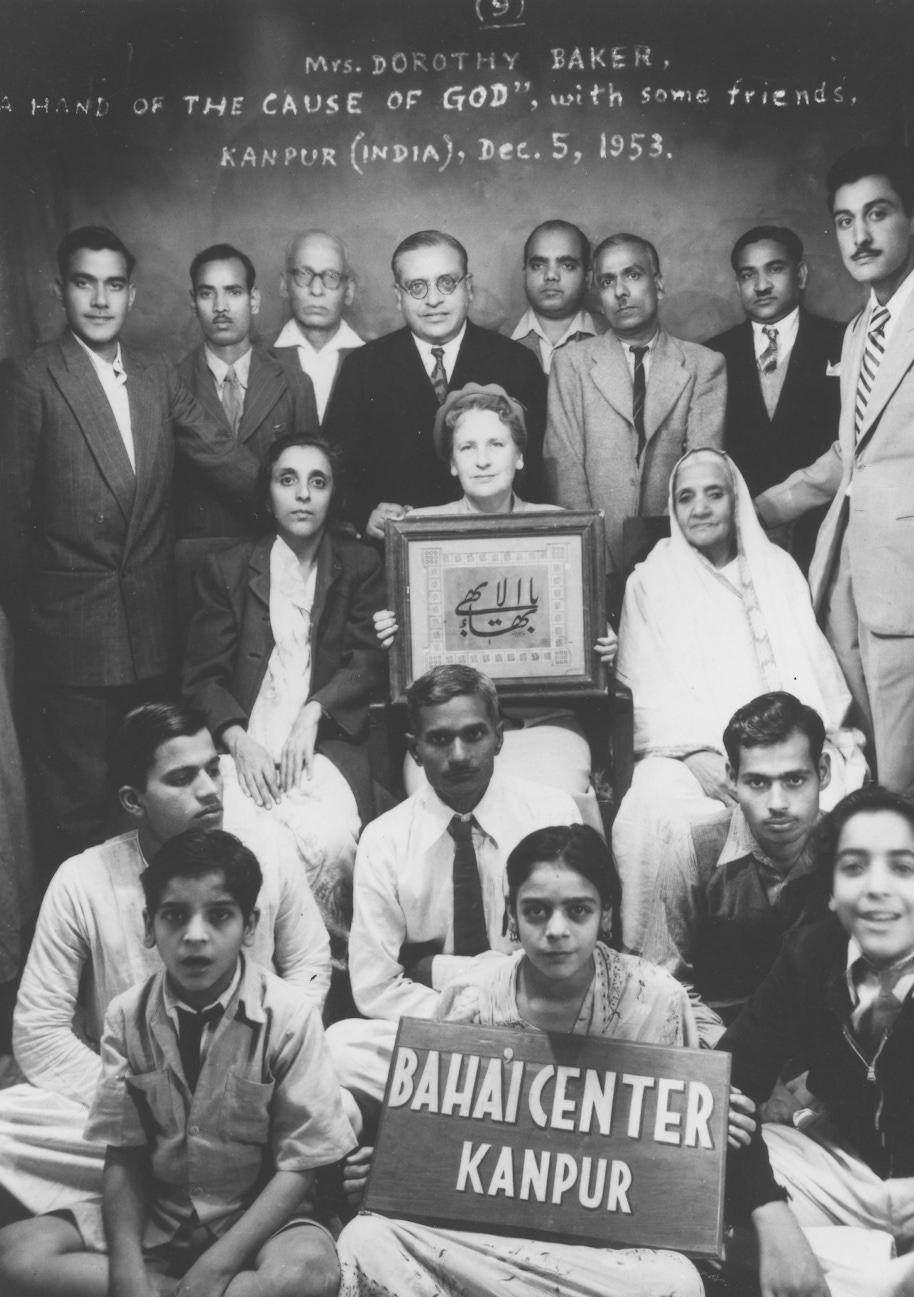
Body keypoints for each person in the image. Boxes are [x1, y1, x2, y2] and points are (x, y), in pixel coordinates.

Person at [329, 825, 756, 1297]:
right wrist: (383, 1166)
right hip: (488, 1242)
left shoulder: (655, 1000)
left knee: (675, 1296)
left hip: (597, 1256)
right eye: (536, 912)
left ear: (606, 915)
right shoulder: (471, 997)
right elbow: (433, 1147)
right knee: (365, 1241)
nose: (556, 931)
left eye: (578, 911)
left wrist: (707, 1137)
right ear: (511, 917)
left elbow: (670, 1181)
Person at [0, 830, 355, 1297]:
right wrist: (127, 1280)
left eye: (219, 916)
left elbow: (301, 1167)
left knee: (310, 1274)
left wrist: (214, 1271)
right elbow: (124, 1154)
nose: (194, 937)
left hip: (257, 1224)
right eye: (173, 917)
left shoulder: (289, 1017)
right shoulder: (126, 1016)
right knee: (16, 1253)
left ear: (250, 927)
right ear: (148, 926)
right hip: (160, 1220)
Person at [0, 702, 331, 1224]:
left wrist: (260, 1084)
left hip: (251, 1097)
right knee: (6, 1127)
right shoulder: (83, 880)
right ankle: (222, 1198)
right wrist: (139, 1112)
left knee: (349, 1071)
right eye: (182, 778)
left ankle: (163, 1201)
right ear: (133, 800)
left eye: (213, 768)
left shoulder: (266, 846)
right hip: (134, 1111)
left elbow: (309, 964)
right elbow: (39, 1033)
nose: (210, 790)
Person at [0, 226, 262, 876]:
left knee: (159, 805)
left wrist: (314, 498)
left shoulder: (154, 375)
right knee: (78, 811)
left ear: (133, 293)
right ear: (59, 291)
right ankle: (83, 960)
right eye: (84, 283)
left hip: (152, 635)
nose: (99, 298)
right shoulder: (30, 378)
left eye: (113, 283)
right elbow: (10, 522)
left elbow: (227, 460)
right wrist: (33, 630)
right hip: (69, 644)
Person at [754, 146, 914, 897]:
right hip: (851, 588)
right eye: (844, 221)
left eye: (877, 214)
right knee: (874, 780)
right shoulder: (860, 328)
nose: (860, 236)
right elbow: (850, 453)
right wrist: (762, 505)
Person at [719, 786, 914, 1297]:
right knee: (724, 1199)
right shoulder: (809, 955)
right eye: (854, 867)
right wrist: (772, 1218)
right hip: (844, 1170)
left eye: (902, 867)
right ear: (831, 893)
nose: (877, 887)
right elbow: (725, 1085)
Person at [612, 448, 865, 947]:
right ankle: (662, 968)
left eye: (714, 493)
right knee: (657, 813)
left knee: (841, 794)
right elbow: (643, 684)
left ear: (736, 501)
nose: (700, 508)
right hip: (684, 753)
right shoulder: (649, 581)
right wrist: (695, 755)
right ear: (674, 508)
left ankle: (826, 953)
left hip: (778, 744)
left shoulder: (777, 569)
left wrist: (783, 749)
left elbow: (810, 672)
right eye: (686, 497)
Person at [327, 665, 581, 1116]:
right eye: (440, 739)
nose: (460, 755)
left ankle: (462, 1104)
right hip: (440, 1027)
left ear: (499, 738)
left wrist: (433, 969)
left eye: (475, 734)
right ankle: (511, 1100)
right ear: (416, 750)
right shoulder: (385, 839)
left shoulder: (551, 813)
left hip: (537, 1017)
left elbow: (576, 947)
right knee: (338, 1047)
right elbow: (374, 986)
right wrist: (467, 1012)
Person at [182, 434, 387, 966]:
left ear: (333, 496)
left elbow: (368, 663)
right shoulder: (228, 569)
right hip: (245, 742)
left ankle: (327, 972)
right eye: (287, 480)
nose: (302, 495)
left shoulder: (361, 565)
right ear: (268, 493)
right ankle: (252, 976)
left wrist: (313, 713)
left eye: (317, 482)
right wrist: (236, 739)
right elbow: (201, 679)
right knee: (240, 842)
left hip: (327, 744)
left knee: (331, 841)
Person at [371, 382, 617, 817]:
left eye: (496, 444)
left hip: (543, 724)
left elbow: (580, 636)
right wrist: (396, 637)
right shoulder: (419, 535)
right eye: (467, 448)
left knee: (551, 801)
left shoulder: (559, 530)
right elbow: (412, 660)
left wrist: (599, 637)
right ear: (452, 463)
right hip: (452, 733)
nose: (482, 459)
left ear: (519, 457)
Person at [327, 229, 549, 537]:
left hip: (495, 540)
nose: (433, 299)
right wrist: (364, 512)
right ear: (397, 296)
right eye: (417, 286)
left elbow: (539, 468)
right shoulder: (363, 368)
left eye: (446, 282)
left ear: (468, 288)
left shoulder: (516, 362)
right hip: (394, 550)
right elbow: (333, 467)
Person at [544, 231, 726, 605]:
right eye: (607, 282)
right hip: (593, 559)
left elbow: (701, 469)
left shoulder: (704, 365)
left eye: (633, 275)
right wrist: (593, 556)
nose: (620, 292)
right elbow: (565, 470)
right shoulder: (571, 365)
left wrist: (664, 558)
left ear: (658, 285)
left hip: (679, 557)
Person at [648, 692, 832, 1048]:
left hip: (816, 1048)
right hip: (717, 1042)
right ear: (732, 778)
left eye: (795, 780)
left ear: (822, 772)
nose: (777, 804)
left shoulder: (845, 850)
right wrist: (737, 1059)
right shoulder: (693, 847)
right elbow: (665, 986)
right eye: (758, 782)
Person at [174, 242, 318, 591]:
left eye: (233, 292)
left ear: (253, 300)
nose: (221, 307)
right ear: (193, 302)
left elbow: (311, 486)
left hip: (276, 565)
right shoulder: (169, 384)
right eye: (207, 294)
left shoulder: (294, 384)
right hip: (198, 570)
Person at [705, 225, 843, 571]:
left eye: (775, 269)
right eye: (748, 274)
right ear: (737, 284)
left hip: (826, 536)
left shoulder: (843, 342)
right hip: (740, 542)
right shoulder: (712, 355)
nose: (762, 285)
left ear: (801, 274)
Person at [272, 229, 364, 426]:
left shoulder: (374, 358)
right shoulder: (257, 354)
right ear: (284, 285)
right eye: (304, 274)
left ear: (348, 290)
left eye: (331, 276)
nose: (316, 290)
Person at [509, 219, 607, 373]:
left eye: (567, 265)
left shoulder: (614, 337)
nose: (550, 275)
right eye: (538, 265)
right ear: (525, 273)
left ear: (587, 277)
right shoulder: (495, 337)